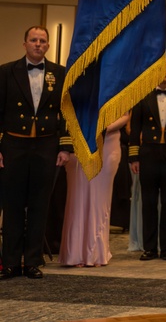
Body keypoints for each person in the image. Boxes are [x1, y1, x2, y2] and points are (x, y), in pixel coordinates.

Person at [0, 26, 72, 280]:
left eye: (43, 41)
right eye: (33, 40)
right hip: (14, 145)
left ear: (48, 46)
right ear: (24, 44)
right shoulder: (7, 71)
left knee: (40, 205)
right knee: (13, 205)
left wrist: (65, 146)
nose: (38, 44)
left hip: (46, 146)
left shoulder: (60, 74)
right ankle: (9, 262)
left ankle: (32, 261)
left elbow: (66, 113)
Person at [128, 59, 166, 261]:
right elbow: (134, 130)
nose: (164, 73)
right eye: (160, 70)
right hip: (148, 154)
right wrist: (133, 156)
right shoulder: (142, 97)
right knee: (149, 203)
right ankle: (150, 248)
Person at [59, 113, 130, 267]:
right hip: (79, 140)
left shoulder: (114, 87)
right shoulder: (75, 87)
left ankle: (96, 252)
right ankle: (74, 253)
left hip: (108, 142)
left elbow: (125, 115)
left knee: (100, 200)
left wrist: (102, 127)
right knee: (77, 198)